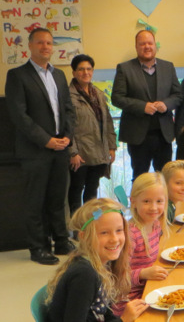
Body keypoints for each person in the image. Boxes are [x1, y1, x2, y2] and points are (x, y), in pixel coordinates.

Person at [5, 27, 75, 265]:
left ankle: (61, 241)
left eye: (49, 43)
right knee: (35, 201)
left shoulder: (59, 76)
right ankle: (38, 247)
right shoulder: (17, 75)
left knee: (57, 199)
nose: (45, 47)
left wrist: (67, 136)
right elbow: (19, 116)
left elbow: (67, 109)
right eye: (40, 43)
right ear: (30, 46)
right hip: (35, 150)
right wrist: (46, 140)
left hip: (61, 147)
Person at [45, 198, 148, 321]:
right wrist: (124, 319)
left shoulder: (101, 265)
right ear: (84, 237)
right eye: (104, 232)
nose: (114, 239)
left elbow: (104, 313)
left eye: (119, 230)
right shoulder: (85, 275)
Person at [112, 30, 182, 181]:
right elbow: (117, 98)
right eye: (142, 44)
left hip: (163, 135)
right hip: (138, 136)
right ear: (136, 47)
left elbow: (178, 95)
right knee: (139, 178)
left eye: (150, 43)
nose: (147, 47)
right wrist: (142, 106)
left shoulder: (168, 67)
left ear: (155, 45)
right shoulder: (125, 68)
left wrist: (166, 104)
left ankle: (165, 205)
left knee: (165, 178)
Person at [112, 173, 170, 316]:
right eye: (146, 201)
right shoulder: (131, 234)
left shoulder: (156, 224)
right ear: (133, 201)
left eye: (159, 201)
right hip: (128, 304)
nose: (153, 207)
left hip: (147, 290)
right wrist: (143, 273)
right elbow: (116, 278)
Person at [68, 54, 117, 216]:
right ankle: (77, 229)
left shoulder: (98, 94)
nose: (85, 72)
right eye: (81, 69)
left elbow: (108, 122)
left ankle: (91, 225)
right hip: (80, 154)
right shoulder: (68, 96)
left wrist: (111, 147)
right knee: (76, 191)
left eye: (89, 69)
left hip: (98, 152)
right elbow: (65, 126)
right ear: (74, 72)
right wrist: (72, 152)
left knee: (92, 192)